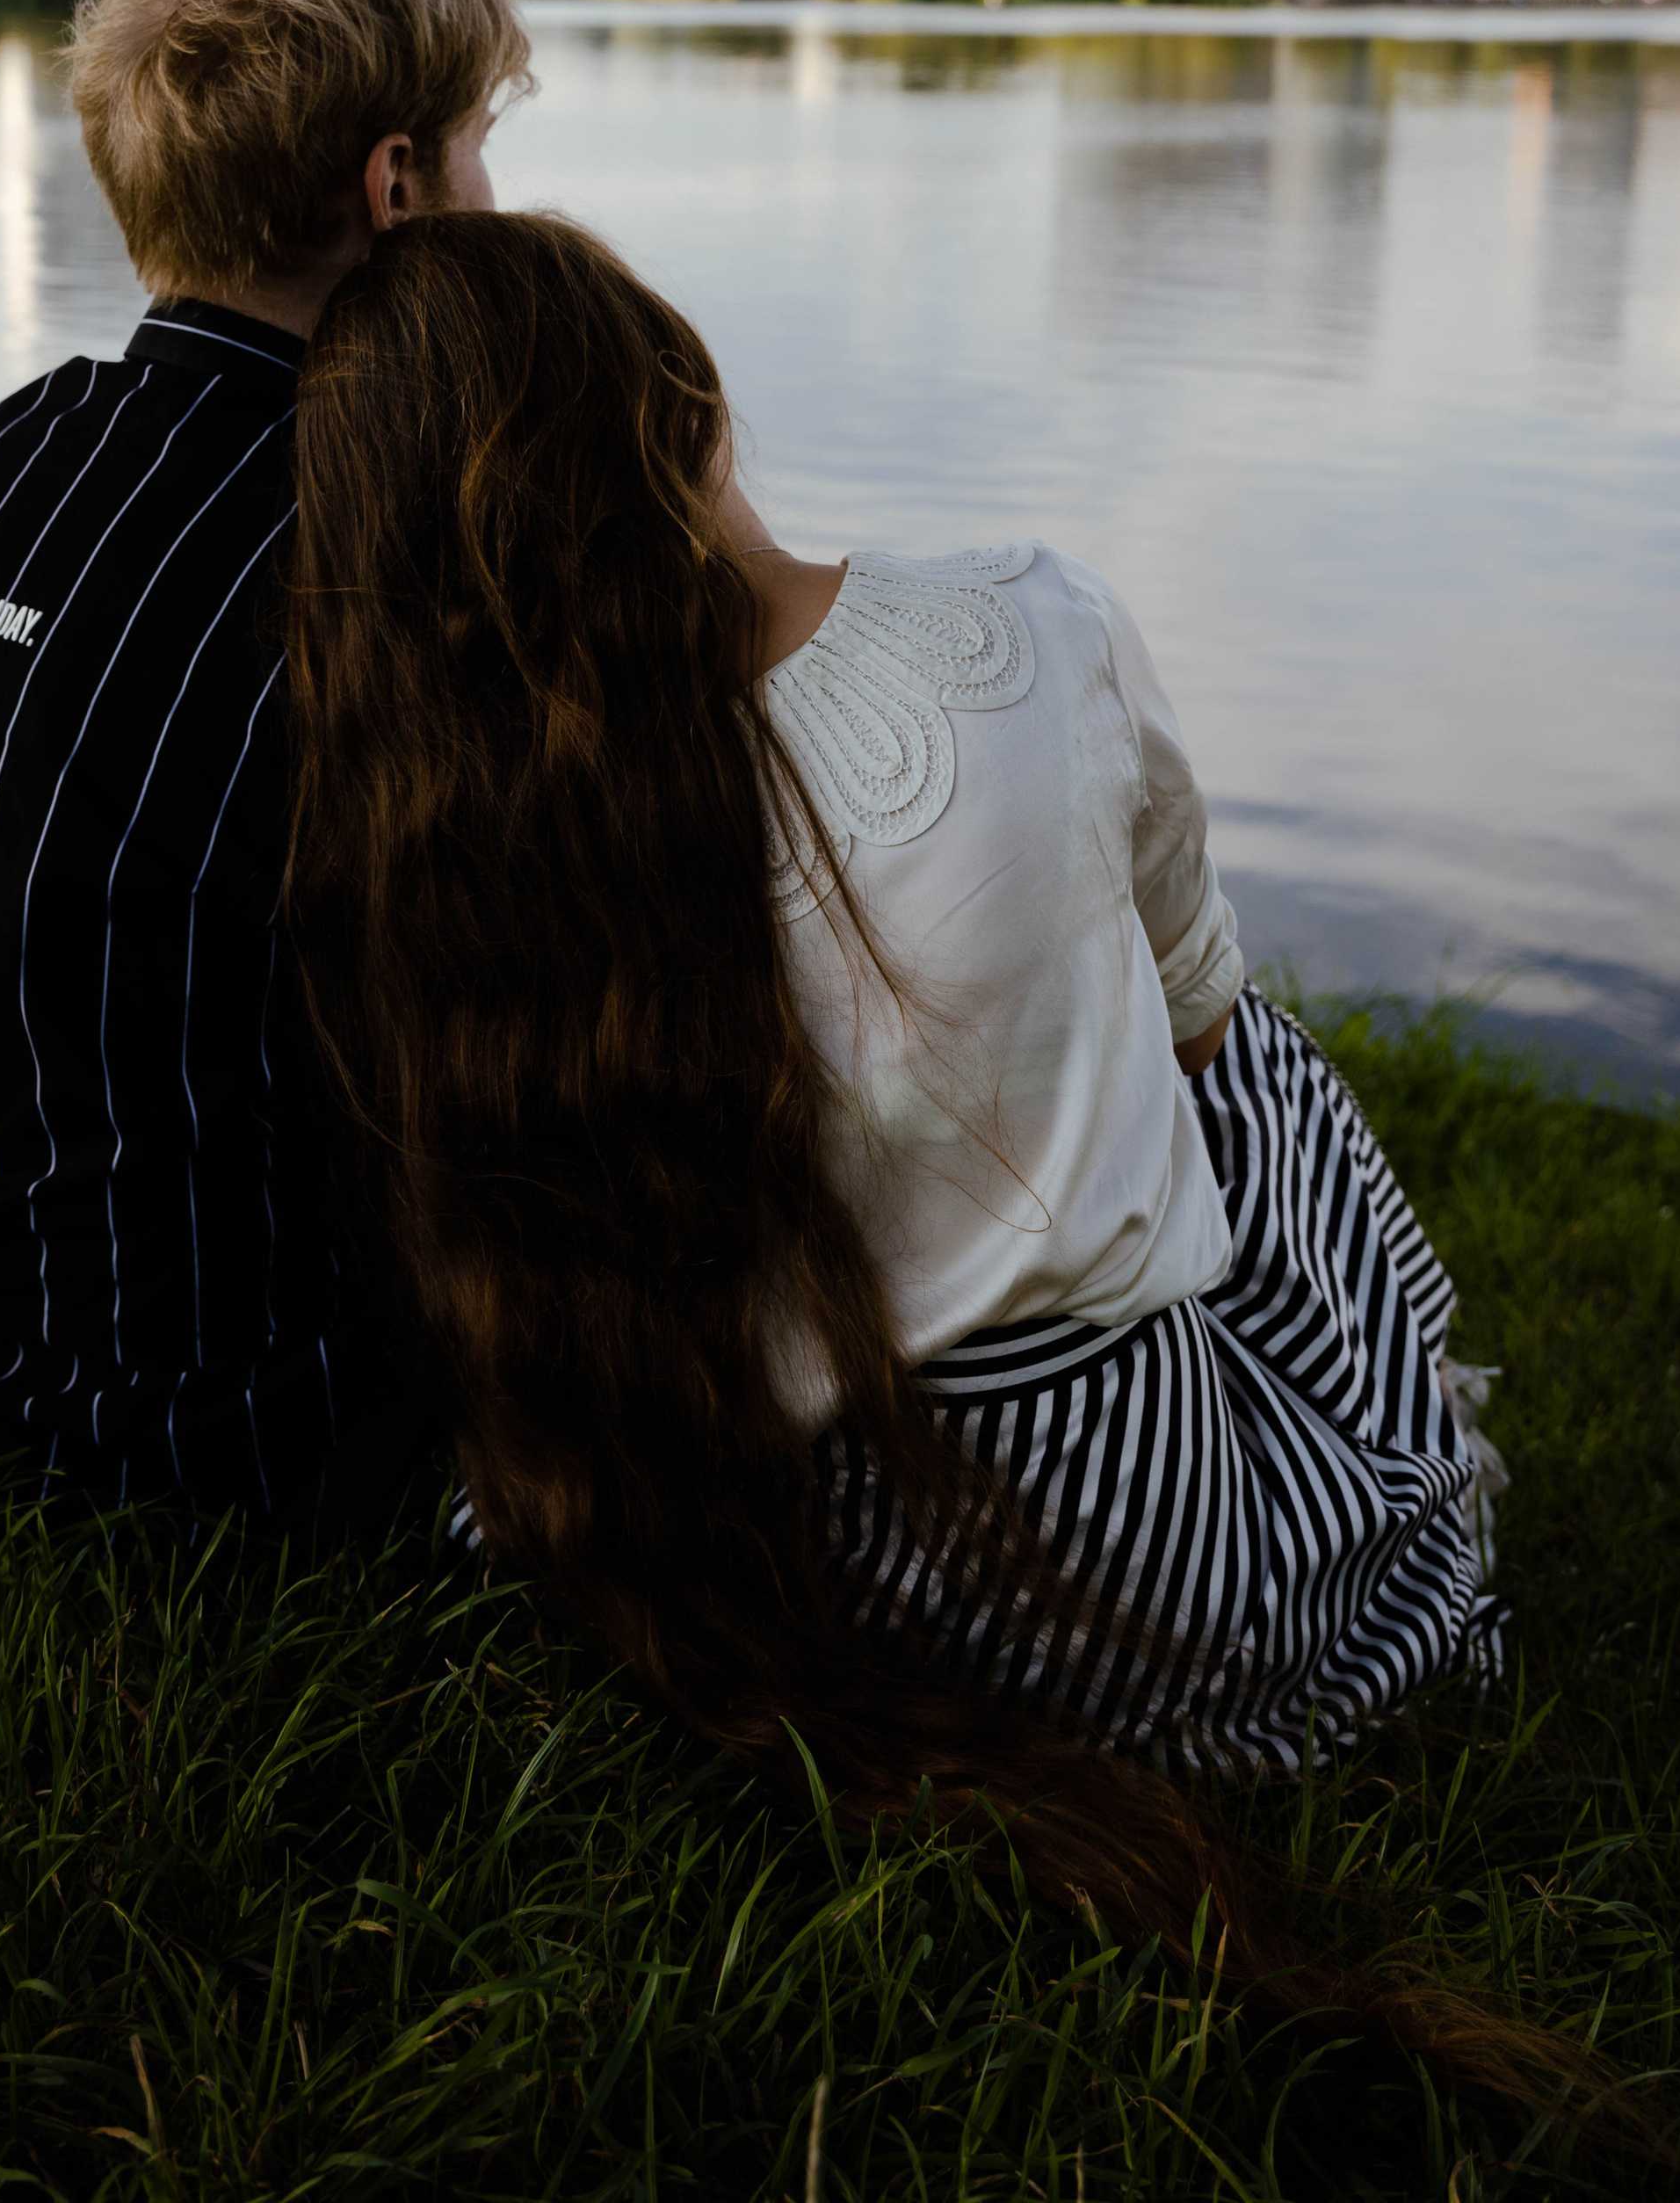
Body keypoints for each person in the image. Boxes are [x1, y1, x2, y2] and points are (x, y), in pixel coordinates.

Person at [285, 207, 1555, 2097]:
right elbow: (1200, 1012)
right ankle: (1384, 1460)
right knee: (1247, 1049)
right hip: (1138, 1555)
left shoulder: (446, 848)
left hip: (736, 1552)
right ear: (683, 402)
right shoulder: (1025, 622)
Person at [0, 0, 528, 1530]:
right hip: (222, 1433)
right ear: (397, 185)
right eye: (484, 142)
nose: (497, 187)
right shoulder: (378, 559)